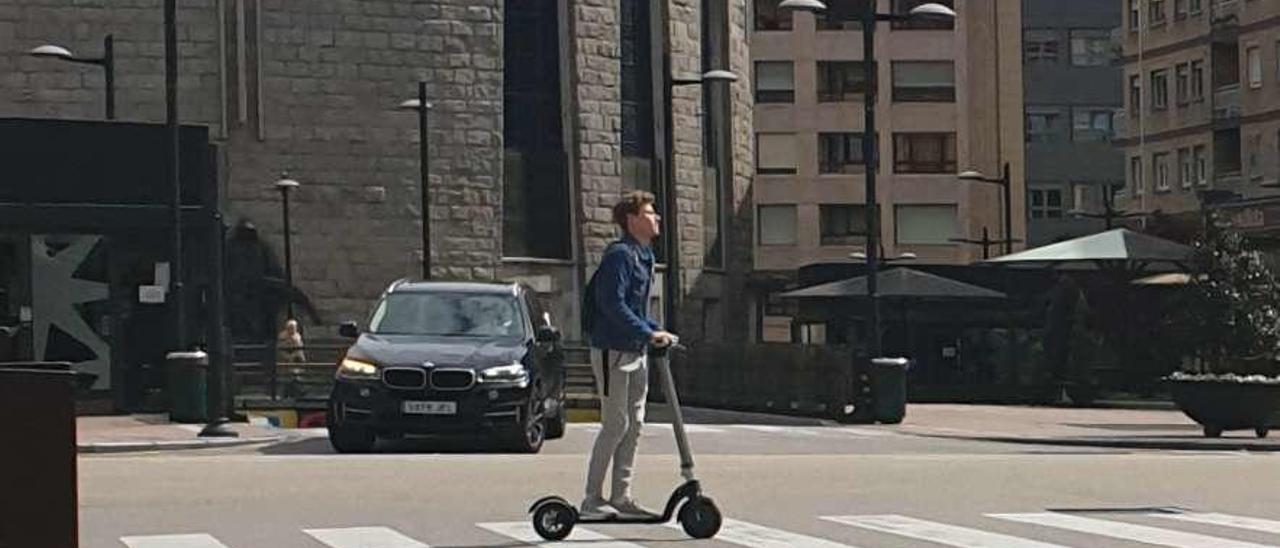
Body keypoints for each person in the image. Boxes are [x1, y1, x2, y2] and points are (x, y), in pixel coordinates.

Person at [580, 190, 677, 520]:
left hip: (635, 351)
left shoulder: (644, 256)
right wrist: (648, 332)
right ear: (632, 220)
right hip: (612, 351)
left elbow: (635, 308)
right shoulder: (620, 256)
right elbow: (612, 304)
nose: (657, 218)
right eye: (650, 213)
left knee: (634, 424)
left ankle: (621, 496)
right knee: (615, 423)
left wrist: (654, 330)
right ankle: (592, 499)